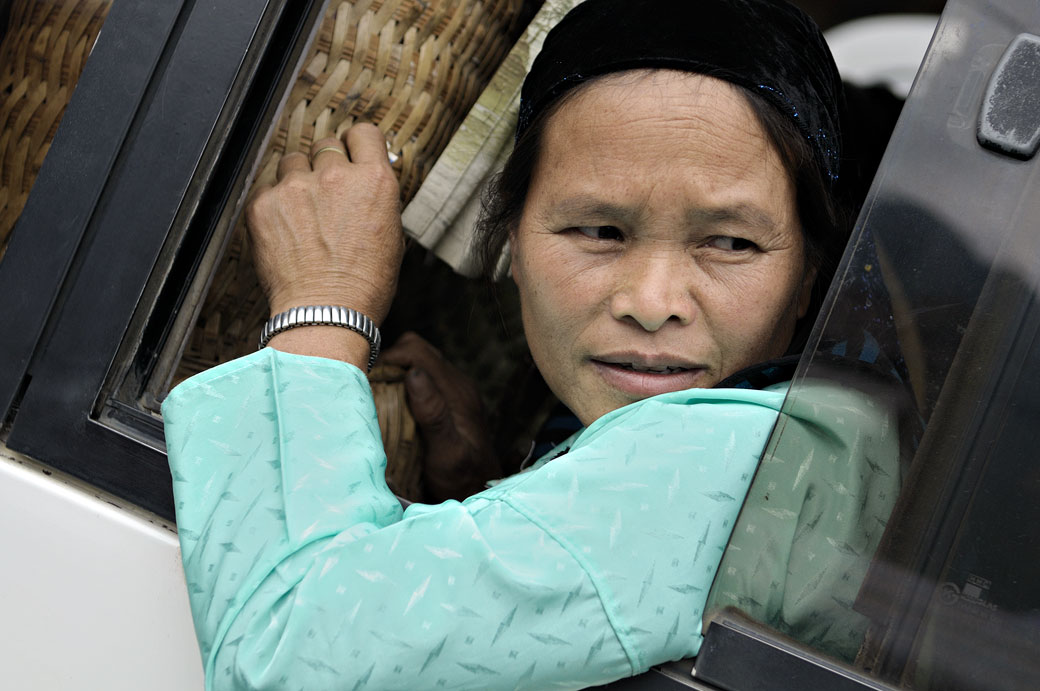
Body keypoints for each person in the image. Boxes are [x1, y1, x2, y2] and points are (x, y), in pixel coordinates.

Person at [162, 1, 898, 688]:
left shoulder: (746, 457)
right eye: (598, 231)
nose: (650, 302)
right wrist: (491, 503)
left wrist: (322, 306)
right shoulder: (836, 442)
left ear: (809, 278)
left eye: (731, 242)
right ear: (511, 241)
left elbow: (284, 656)